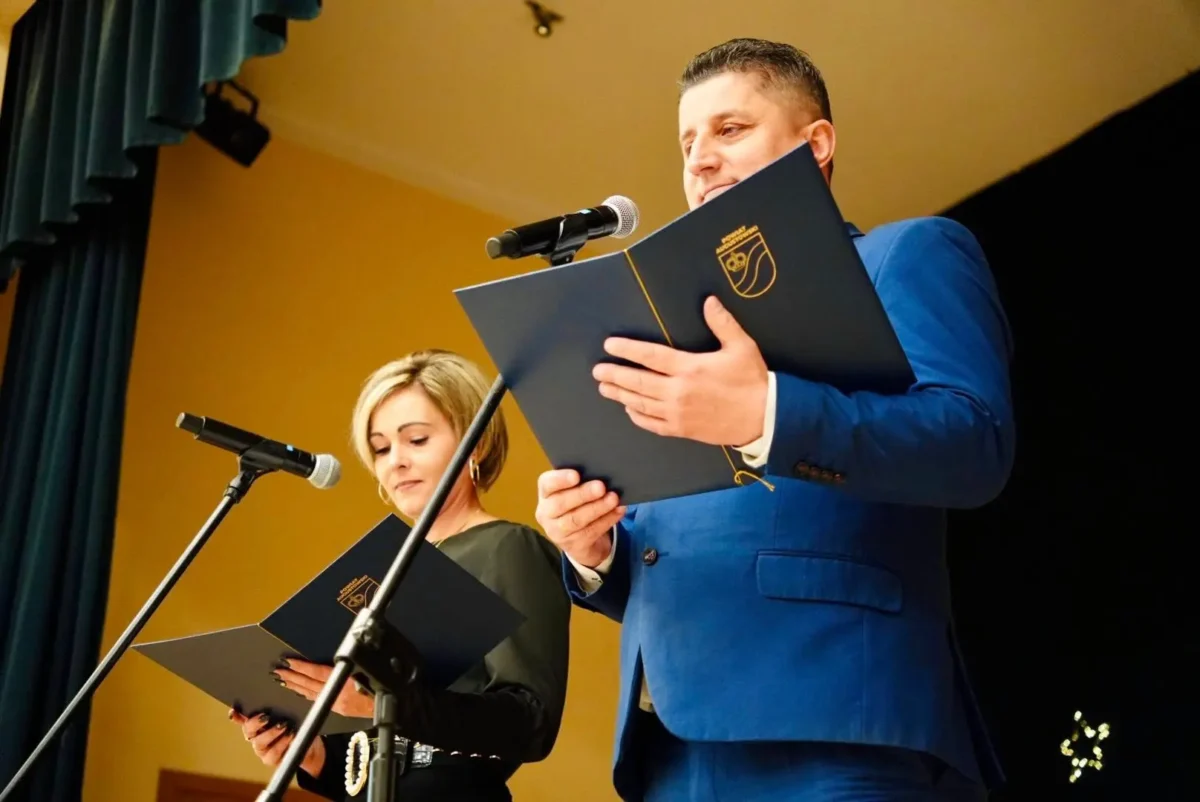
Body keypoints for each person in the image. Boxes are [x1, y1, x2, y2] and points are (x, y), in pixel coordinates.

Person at [534, 38, 1015, 802]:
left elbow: (973, 441)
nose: (700, 160)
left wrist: (767, 413)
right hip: (670, 750)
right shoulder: (673, 331)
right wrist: (594, 550)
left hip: (841, 723)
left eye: (730, 129)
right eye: (687, 144)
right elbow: (672, 556)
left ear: (815, 145)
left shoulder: (907, 253)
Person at [231, 349, 571, 802]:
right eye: (381, 448)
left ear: (477, 443)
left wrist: (382, 704)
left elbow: (531, 723)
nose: (396, 461)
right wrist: (315, 756)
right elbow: (376, 752)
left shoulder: (509, 548)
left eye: (416, 440)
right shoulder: (388, 567)